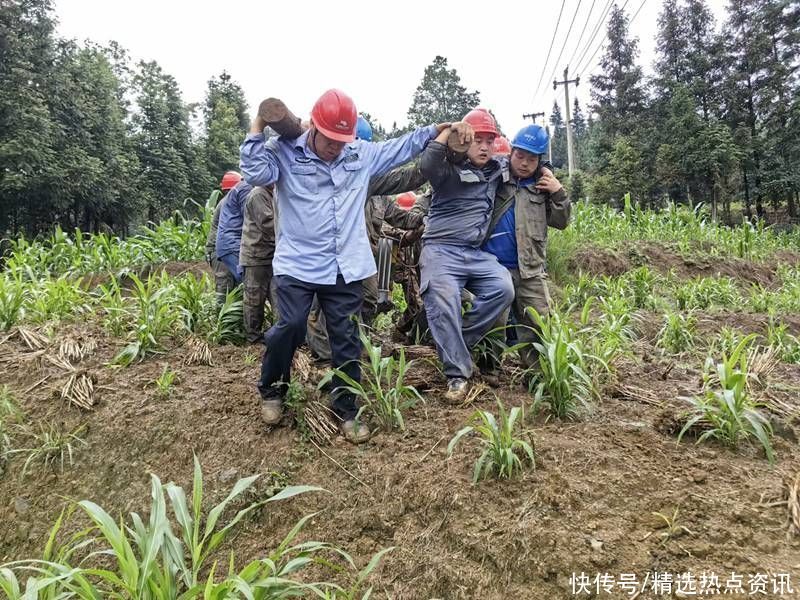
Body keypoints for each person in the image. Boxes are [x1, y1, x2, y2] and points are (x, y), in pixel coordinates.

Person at [240, 88, 456, 443]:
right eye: (330, 139)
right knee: (291, 326)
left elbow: (399, 147)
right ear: (313, 127)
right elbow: (254, 171)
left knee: (345, 339)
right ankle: (273, 389)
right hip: (298, 262)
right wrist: (260, 122)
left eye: (343, 140)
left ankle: (347, 409)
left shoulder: (359, 155)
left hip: (345, 265)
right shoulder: (284, 152)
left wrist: (434, 129)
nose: (336, 147)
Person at [418, 108, 515, 402]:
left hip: (473, 253)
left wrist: (547, 171)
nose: (484, 146)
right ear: (464, 140)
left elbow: (527, 161)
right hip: (440, 250)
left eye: (489, 140)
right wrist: (449, 131)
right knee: (443, 298)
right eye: (477, 140)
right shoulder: (447, 169)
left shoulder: (497, 169)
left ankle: (456, 342)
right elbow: (427, 162)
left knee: (503, 288)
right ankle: (457, 374)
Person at [483, 124, 570, 367]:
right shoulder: (495, 179)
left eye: (531, 159)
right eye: (519, 156)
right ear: (511, 153)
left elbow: (561, 222)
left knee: (536, 322)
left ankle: (535, 373)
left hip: (530, 269)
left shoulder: (544, 188)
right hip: (494, 267)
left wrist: (558, 192)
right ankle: (490, 371)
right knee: (493, 323)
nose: (523, 163)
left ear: (540, 160)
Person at [239, 185, 277, 344]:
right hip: (256, 256)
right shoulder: (258, 195)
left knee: (278, 296)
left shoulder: (273, 193)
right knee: (255, 298)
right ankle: (253, 338)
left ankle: (278, 335)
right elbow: (269, 224)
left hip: (272, 254)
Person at [206, 172, 241, 304]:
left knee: (234, 286)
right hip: (218, 250)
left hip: (223, 249)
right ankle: (220, 319)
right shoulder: (227, 203)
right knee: (224, 284)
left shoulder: (227, 203)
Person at [215, 176, 254, 285]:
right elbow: (251, 218)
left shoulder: (240, 188)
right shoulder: (246, 189)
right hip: (232, 243)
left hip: (228, 243)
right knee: (250, 283)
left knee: (244, 285)